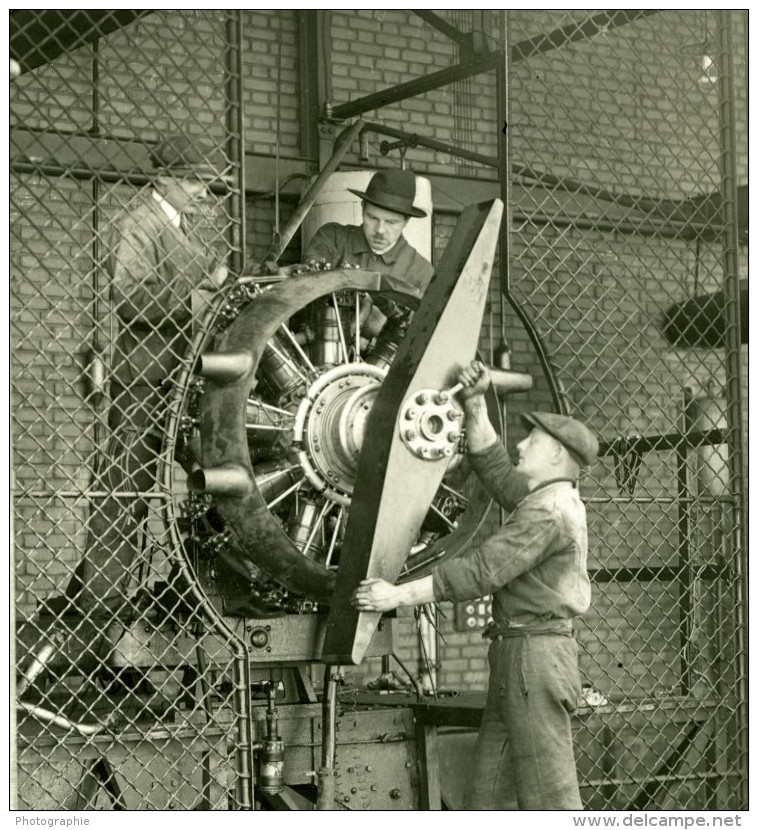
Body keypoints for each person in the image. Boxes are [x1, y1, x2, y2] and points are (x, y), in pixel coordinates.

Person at [352, 360, 599, 810]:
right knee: (486, 797)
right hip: (514, 656)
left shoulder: (550, 512)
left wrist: (396, 594)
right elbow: (498, 469)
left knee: (553, 802)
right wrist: (474, 399)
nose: (521, 444)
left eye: (534, 442)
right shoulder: (542, 497)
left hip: (535, 660)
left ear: (559, 456)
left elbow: (481, 570)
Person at [64, 133, 229, 619]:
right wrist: (200, 295)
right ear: (164, 179)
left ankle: (198, 590)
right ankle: (102, 610)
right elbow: (131, 297)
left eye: (206, 182)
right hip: (145, 381)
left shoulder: (182, 225)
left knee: (212, 480)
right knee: (124, 492)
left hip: (186, 381)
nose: (203, 192)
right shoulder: (140, 223)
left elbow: (209, 272)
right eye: (195, 182)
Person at [302, 168, 434, 338]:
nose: (380, 230)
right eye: (372, 218)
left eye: (391, 222)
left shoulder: (422, 273)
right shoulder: (331, 238)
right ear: (362, 208)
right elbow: (305, 286)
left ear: (406, 221)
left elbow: (420, 337)